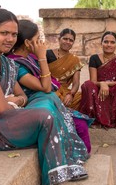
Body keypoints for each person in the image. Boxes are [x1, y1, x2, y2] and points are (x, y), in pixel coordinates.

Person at [0, 8, 87, 185]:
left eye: (14, 34)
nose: (9, 39)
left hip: (1, 116)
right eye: (4, 33)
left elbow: (21, 95)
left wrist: (17, 101)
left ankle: (66, 159)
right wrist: (18, 107)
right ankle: (58, 170)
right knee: (44, 116)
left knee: (44, 97)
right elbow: (0, 109)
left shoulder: (6, 62)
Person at [7, 19, 93, 156]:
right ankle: (72, 157)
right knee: (79, 125)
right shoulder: (16, 63)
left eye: (71, 40)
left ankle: (78, 156)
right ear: (28, 43)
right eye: (38, 39)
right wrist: (41, 56)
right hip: (36, 104)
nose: (41, 43)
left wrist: (70, 93)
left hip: (50, 97)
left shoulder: (30, 57)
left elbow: (70, 83)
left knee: (81, 119)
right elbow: (46, 87)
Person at [79, 31, 116, 133]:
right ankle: (94, 119)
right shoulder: (94, 58)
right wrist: (101, 84)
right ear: (101, 43)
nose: (109, 45)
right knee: (87, 84)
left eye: (112, 42)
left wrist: (106, 84)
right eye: (106, 42)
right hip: (98, 90)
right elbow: (93, 81)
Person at [46, 28, 83, 111]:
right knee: (54, 96)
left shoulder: (75, 60)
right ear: (59, 39)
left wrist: (71, 94)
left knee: (83, 96)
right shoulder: (47, 54)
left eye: (71, 40)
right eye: (65, 39)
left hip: (65, 91)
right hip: (50, 88)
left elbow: (76, 83)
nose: (67, 42)